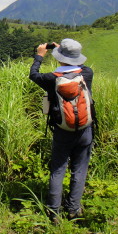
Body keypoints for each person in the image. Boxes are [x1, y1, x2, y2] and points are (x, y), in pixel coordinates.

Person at [29, 38, 94, 223]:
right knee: (79, 170)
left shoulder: (50, 79)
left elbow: (33, 74)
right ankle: (73, 209)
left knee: (58, 170)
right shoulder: (87, 74)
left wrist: (39, 56)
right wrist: (65, 53)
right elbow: (81, 66)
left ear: (60, 58)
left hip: (62, 130)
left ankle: (54, 212)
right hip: (84, 129)